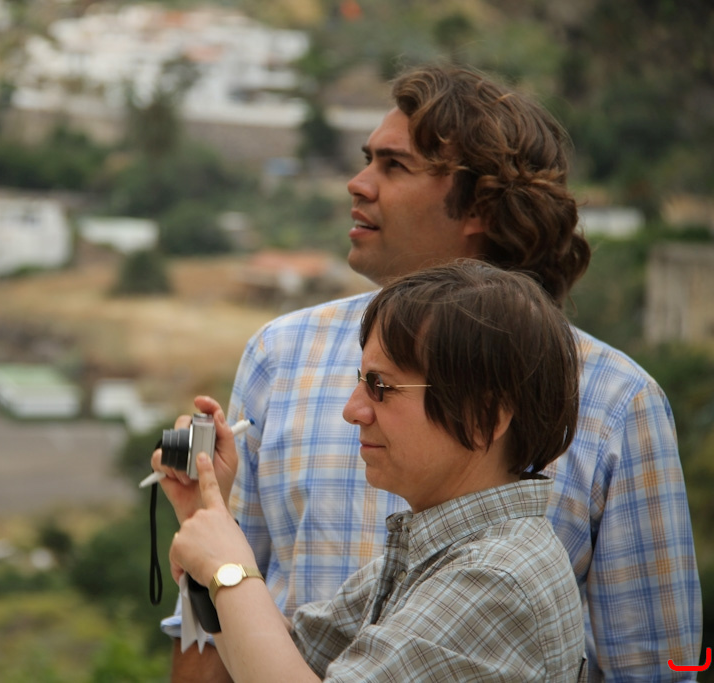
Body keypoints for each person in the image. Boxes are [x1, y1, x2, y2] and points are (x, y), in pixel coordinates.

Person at [162, 63, 701, 682]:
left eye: (395, 166)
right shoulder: (281, 354)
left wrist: (226, 569)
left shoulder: (617, 400)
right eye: (367, 160)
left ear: (480, 204)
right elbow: (244, 631)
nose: (357, 184)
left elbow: (661, 666)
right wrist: (209, 540)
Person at [154, 261, 587, 682]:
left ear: (483, 417)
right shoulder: (448, 551)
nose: (353, 410)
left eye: (380, 386)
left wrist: (228, 571)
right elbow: (284, 657)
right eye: (361, 381)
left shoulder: (494, 580)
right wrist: (207, 522)